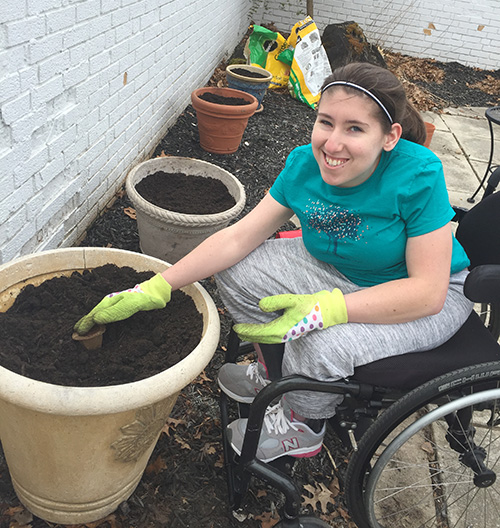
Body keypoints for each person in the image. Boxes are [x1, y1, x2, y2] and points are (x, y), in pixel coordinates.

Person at [75, 62, 472, 463]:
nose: (332, 144)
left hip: (420, 294)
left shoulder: (417, 175)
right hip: (338, 270)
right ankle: (277, 373)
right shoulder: (304, 165)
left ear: (390, 137)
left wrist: (326, 309)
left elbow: (427, 293)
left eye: (355, 128)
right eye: (326, 122)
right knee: (237, 269)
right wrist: (157, 285)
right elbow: (238, 237)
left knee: (322, 343)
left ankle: (304, 424)